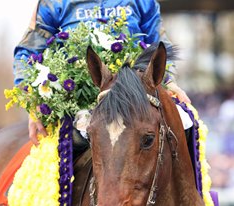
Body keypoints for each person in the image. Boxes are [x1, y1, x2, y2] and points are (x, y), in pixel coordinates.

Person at [13, 0, 190, 146]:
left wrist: (170, 81)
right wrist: (32, 102)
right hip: (75, 108)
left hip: (137, 104)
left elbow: (160, 46)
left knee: (187, 122)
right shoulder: (53, 3)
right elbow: (26, 54)